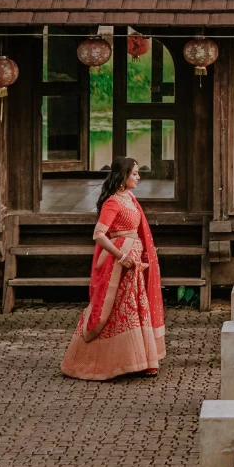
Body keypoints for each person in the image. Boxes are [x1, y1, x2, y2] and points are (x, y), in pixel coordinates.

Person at [61, 156, 166, 380]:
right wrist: (121, 255)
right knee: (119, 309)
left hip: (134, 262)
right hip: (120, 263)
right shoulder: (113, 202)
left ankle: (143, 360)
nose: (138, 177)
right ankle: (113, 362)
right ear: (123, 176)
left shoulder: (129, 198)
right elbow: (98, 235)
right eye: (135, 173)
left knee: (136, 307)